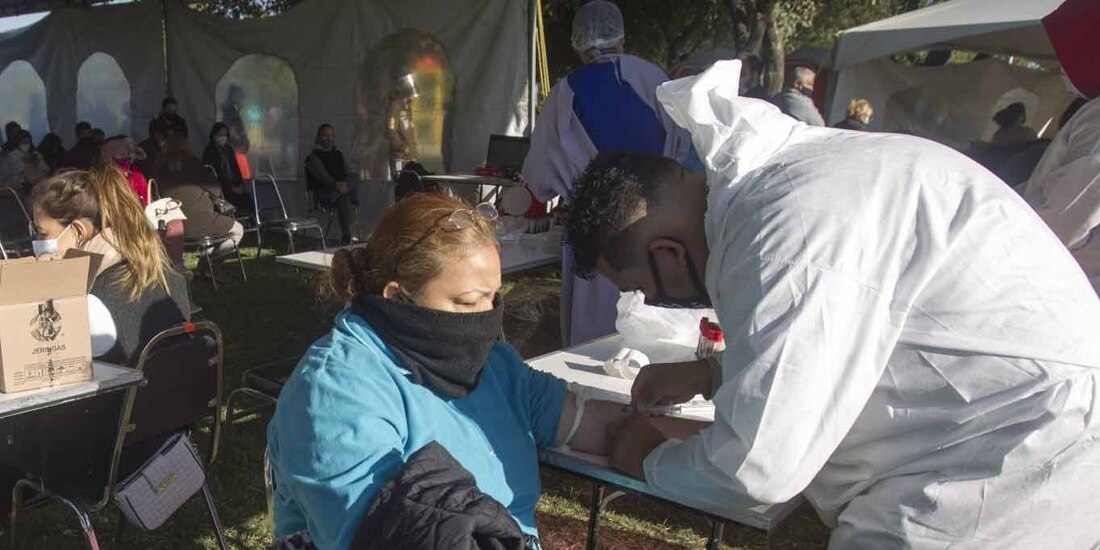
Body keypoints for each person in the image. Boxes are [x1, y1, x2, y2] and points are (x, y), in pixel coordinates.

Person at [566, 62, 1100, 548]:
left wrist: (648, 458)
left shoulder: (783, 230)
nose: (655, 301)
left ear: (666, 252)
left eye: (646, 289)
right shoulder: (793, 186)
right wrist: (711, 373)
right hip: (1008, 428)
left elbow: (757, 468)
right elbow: (844, 333)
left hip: (1011, 451)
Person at [266, 193, 648, 550]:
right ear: (398, 297)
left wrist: (669, 438)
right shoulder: (336, 392)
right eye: (467, 302)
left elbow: (583, 421)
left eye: (493, 298)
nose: (486, 319)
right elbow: (389, 533)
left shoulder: (494, 366)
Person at [521, 0, 689, 346]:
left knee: (595, 341)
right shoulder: (655, 79)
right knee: (656, 333)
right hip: (660, 226)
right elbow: (685, 149)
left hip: (597, 233)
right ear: (621, 38)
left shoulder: (566, 92)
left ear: (576, 45)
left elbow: (538, 179)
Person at [31, 166, 189, 366]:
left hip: (124, 385)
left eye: (42, 233)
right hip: (184, 384)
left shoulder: (90, 302)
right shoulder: (166, 274)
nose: (37, 242)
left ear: (78, 231)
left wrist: (45, 290)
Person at [155, 135, 244, 278]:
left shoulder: (159, 168)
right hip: (201, 221)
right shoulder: (193, 164)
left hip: (172, 227)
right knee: (238, 230)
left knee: (211, 233)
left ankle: (205, 266)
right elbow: (215, 190)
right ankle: (210, 263)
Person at [305, 124, 360, 244]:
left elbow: (350, 172)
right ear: (319, 138)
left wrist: (346, 185)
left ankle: (354, 235)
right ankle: (347, 236)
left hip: (341, 191)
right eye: (326, 136)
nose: (329, 139)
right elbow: (322, 176)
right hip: (323, 193)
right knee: (344, 199)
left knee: (354, 180)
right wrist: (336, 185)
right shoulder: (313, 158)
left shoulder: (338, 155)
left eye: (331, 136)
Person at [202, 122, 251, 215]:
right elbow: (214, 175)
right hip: (219, 189)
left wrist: (241, 185)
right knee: (231, 201)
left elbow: (236, 169)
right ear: (214, 136)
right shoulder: (209, 153)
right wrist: (231, 187)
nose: (223, 138)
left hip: (234, 186)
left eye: (225, 135)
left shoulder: (229, 150)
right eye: (220, 135)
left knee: (249, 200)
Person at [100, 135, 150, 206]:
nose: (129, 156)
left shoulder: (138, 176)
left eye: (132, 151)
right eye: (121, 153)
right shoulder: (101, 184)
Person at [0, 130, 49, 194]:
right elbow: (4, 177)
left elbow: (46, 169)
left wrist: (38, 163)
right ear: (17, 142)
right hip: (20, 189)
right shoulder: (10, 156)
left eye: (28, 142)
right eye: (23, 142)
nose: (26, 144)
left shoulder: (36, 154)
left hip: (39, 186)